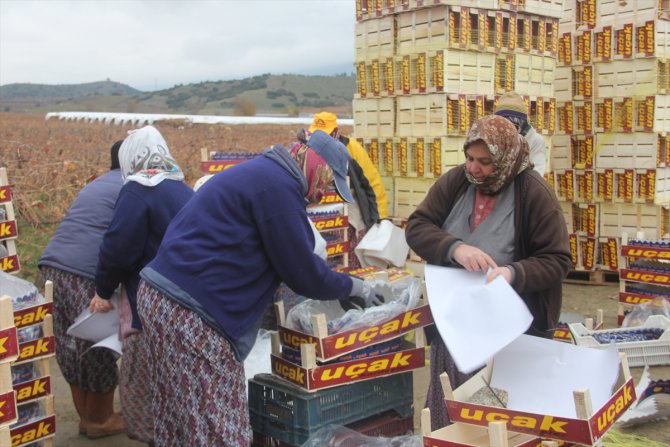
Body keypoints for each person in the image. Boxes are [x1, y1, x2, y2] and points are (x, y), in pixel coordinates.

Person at [137, 130, 381, 446]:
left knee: (182, 418)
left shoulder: (265, 174)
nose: (323, 194)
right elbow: (303, 273)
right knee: (220, 426)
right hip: (191, 313)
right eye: (327, 182)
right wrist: (354, 287)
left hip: (162, 298)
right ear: (314, 164)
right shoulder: (279, 188)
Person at [405, 115, 571, 429]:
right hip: (455, 325)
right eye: (469, 158)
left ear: (506, 159)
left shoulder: (534, 194)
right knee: (453, 410)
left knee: (499, 419)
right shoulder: (456, 182)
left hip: (507, 333)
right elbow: (417, 226)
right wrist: (454, 248)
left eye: (484, 162)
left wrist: (512, 273)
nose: (473, 168)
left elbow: (557, 260)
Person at [88, 125, 194, 444]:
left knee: (146, 390)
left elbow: (118, 248)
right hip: (187, 307)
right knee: (177, 389)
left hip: (149, 307)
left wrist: (103, 290)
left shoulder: (137, 190)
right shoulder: (183, 189)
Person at [38, 140, 126, 439]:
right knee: (98, 344)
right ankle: (100, 420)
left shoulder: (98, 183)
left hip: (51, 268)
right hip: (85, 275)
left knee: (70, 345)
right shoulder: (133, 186)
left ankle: (88, 419)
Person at [494, 91, 547, 176]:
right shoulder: (493, 137)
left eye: (513, 125)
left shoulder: (535, 140)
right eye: (504, 125)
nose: (508, 130)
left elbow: (537, 174)